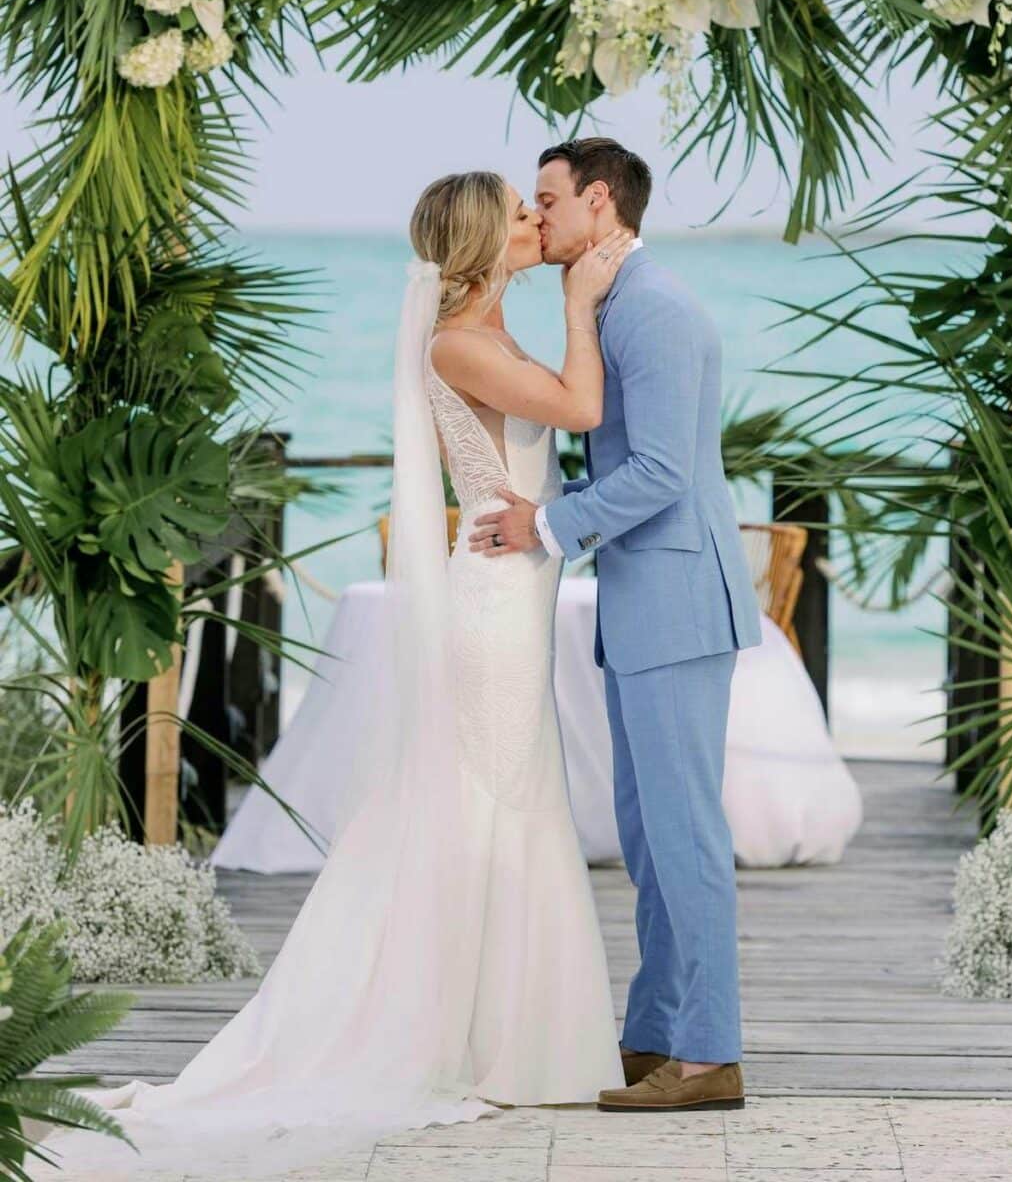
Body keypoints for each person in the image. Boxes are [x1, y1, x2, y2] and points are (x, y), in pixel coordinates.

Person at [41, 171, 630, 1179]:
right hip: (491, 608)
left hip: (515, 592)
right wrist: (581, 302)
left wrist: (559, 288)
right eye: (521, 214)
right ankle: (476, 1038)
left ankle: (510, 1034)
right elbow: (579, 409)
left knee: (515, 799)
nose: (539, 223)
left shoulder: (484, 328)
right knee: (491, 805)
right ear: (486, 242)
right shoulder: (459, 343)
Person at [470, 137, 762, 1113]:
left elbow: (664, 473)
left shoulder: (657, 312)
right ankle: (655, 1034)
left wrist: (544, 526)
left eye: (547, 200)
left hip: (676, 604)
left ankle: (710, 1054)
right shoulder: (611, 304)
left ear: (600, 203)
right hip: (647, 606)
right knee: (646, 835)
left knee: (683, 835)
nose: (537, 218)